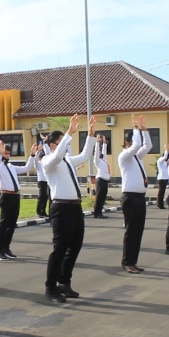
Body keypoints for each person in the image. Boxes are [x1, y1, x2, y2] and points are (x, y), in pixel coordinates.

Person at [42, 114, 96, 302]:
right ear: (52, 145)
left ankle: (64, 282)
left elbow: (85, 156)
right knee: (60, 248)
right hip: (61, 209)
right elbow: (57, 156)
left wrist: (90, 136)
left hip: (75, 208)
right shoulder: (48, 162)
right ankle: (51, 287)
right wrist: (69, 132)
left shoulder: (67, 162)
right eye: (61, 142)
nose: (66, 146)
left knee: (75, 246)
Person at [118, 115, 153, 273]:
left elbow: (147, 145)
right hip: (130, 198)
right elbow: (138, 144)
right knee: (131, 231)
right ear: (127, 143)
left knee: (138, 231)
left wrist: (144, 129)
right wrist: (135, 128)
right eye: (132, 142)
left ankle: (133, 261)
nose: (135, 146)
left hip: (139, 197)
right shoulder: (124, 157)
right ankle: (127, 262)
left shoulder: (137, 158)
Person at [0, 141, 37, 260]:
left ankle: (6, 248)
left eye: (8, 153)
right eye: (5, 153)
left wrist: (32, 155)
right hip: (6, 196)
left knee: (11, 224)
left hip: (15, 196)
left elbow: (26, 168)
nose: (7, 155)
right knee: (4, 224)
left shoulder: (11, 167)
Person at [93, 135, 111, 218]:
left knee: (103, 197)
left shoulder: (104, 160)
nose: (101, 153)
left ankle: (100, 212)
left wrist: (104, 143)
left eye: (101, 153)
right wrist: (97, 142)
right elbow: (96, 153)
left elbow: (104, 152)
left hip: (105, 181)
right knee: (99, 197)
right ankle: (97, 213)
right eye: (99, 153)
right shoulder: (97, 161)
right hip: (100, 180)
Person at [156, 144, 169, 210]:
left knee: (163, 192)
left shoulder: (165, 162)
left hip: (165, 178)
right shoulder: (160, 160)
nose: (167, 159)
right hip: (161, 178)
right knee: (160, 192)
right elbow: (165, 157)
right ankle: (159, 204)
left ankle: (161, 204)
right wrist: (166, 149)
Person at [35, 149, 51, 218]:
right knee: (41, 196)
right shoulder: (38, 164)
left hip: (47, 181)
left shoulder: (46, 164)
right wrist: (37, 152)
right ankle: (39, 211)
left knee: (45, 196)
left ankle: (43, 211)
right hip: (41, 181)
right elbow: (34, 161)